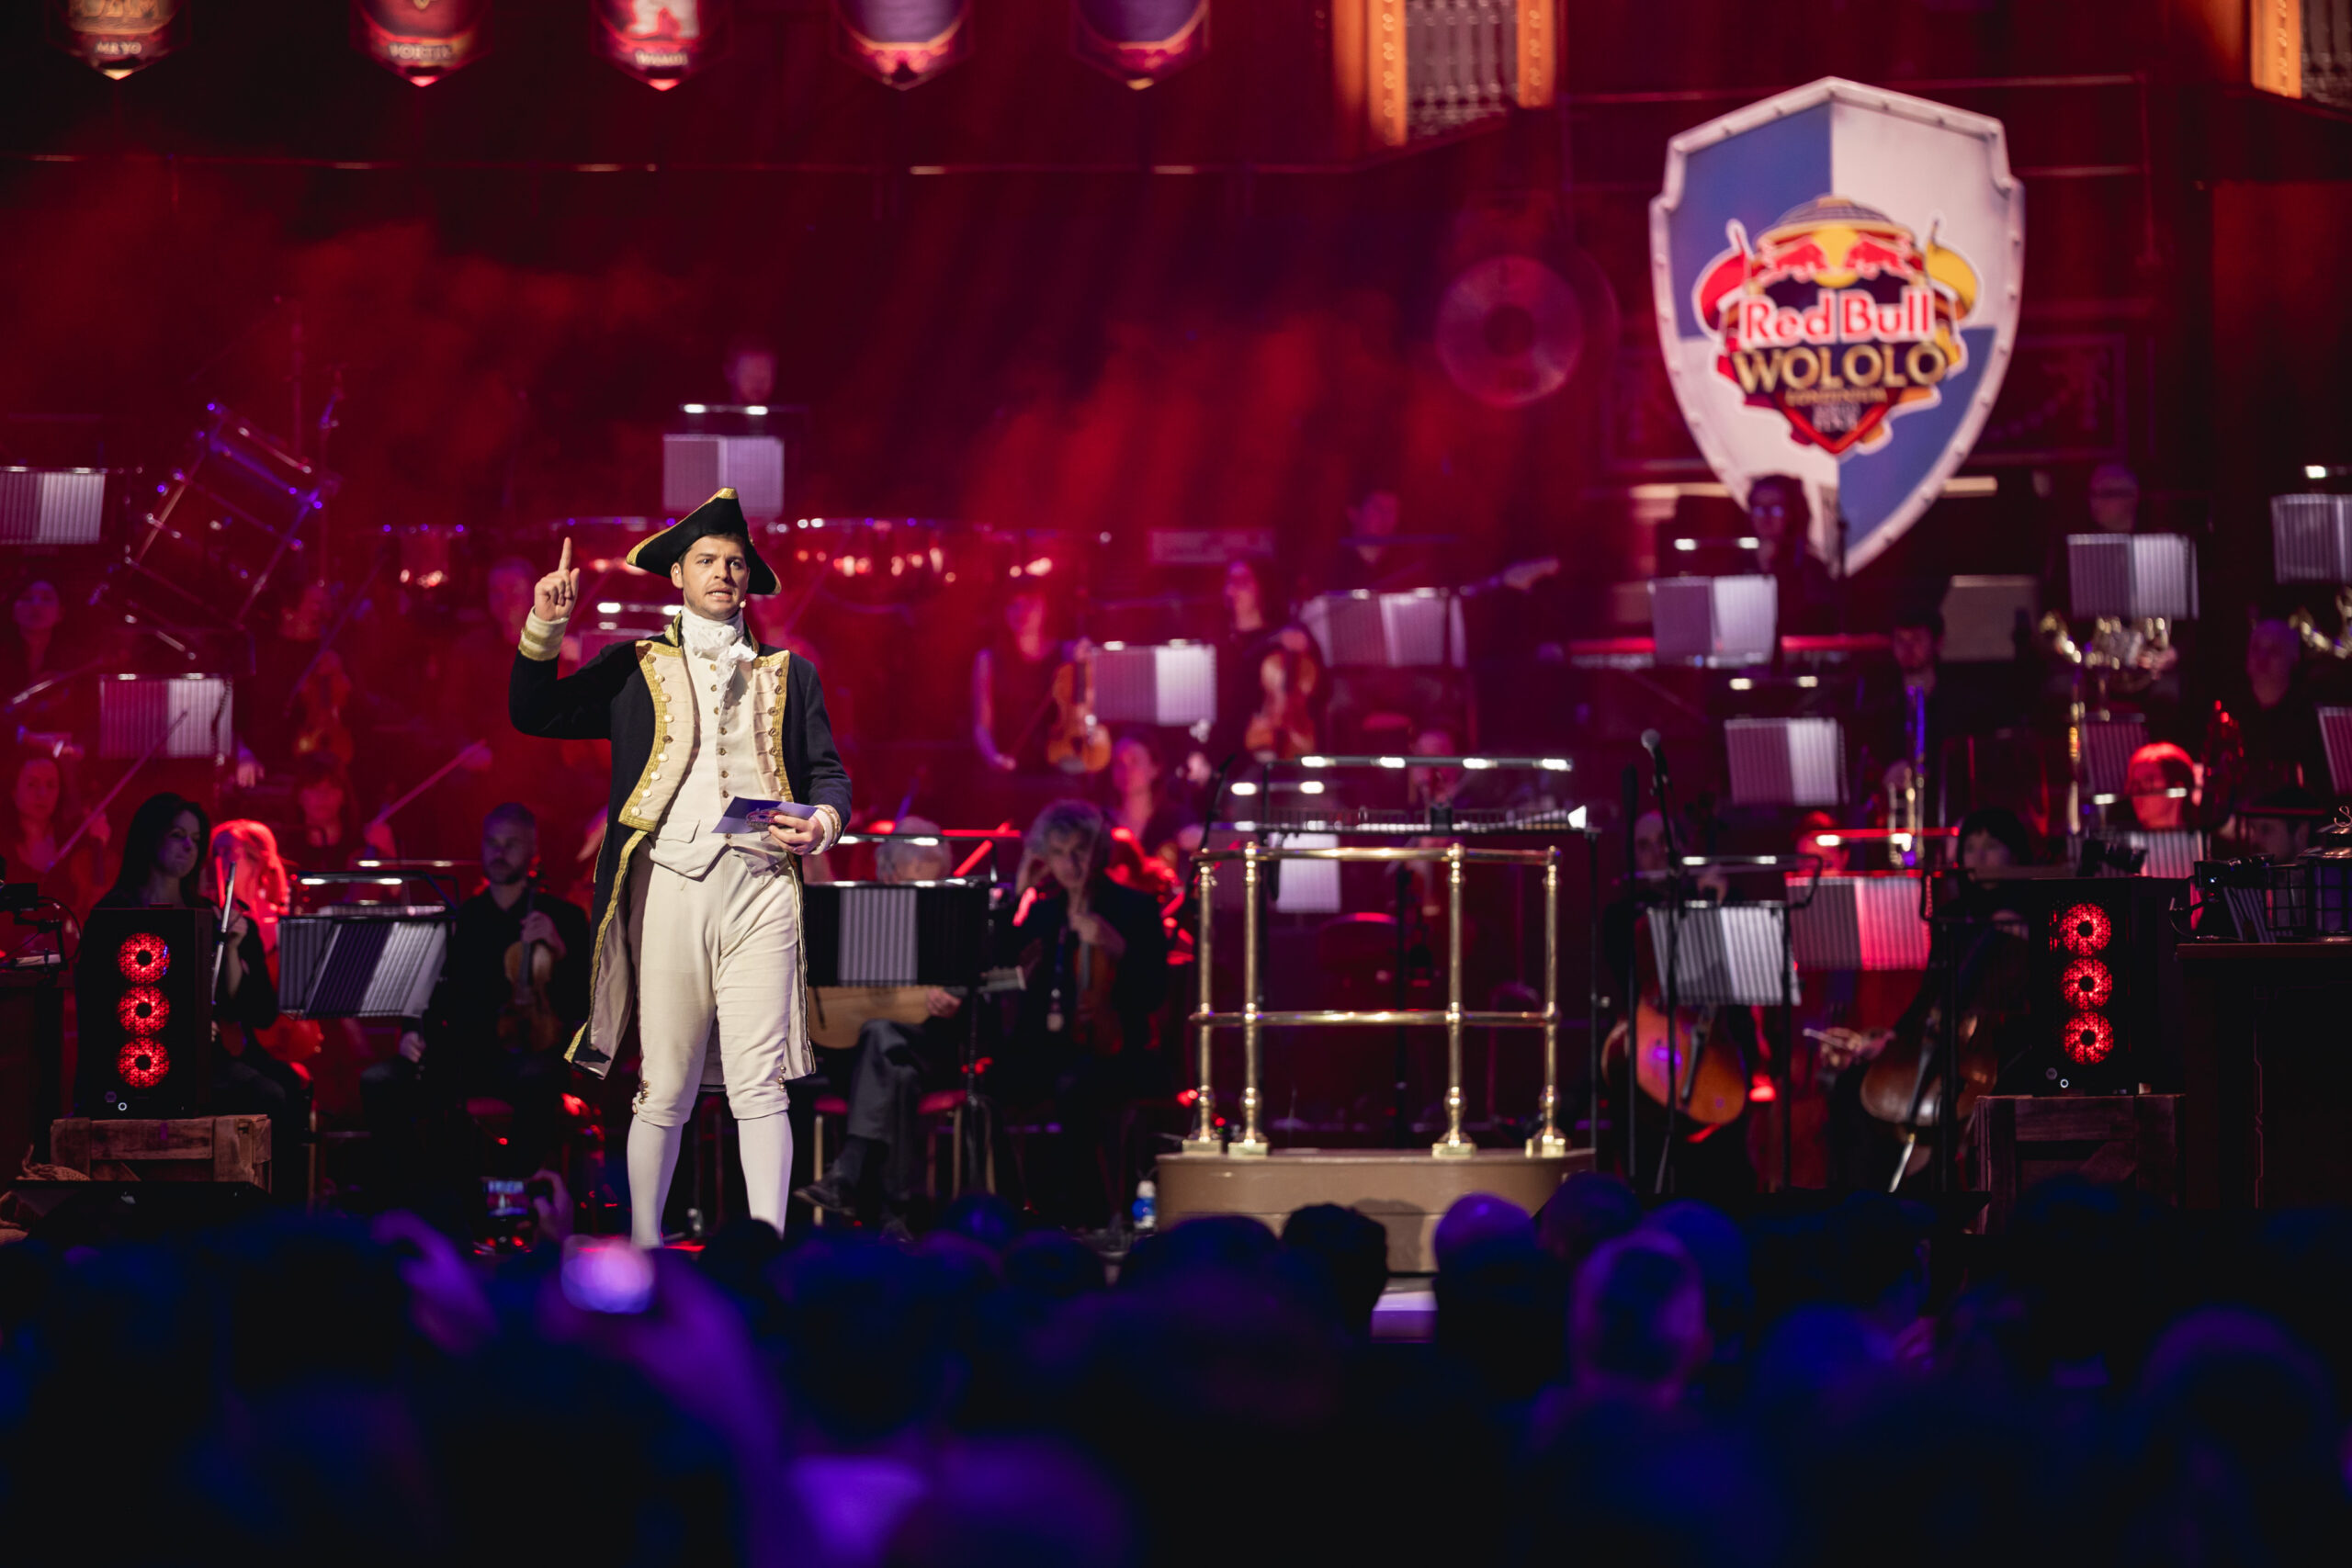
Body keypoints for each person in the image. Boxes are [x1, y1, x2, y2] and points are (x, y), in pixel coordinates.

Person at [511, 488, 850, 1247]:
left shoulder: (791, 673)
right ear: (678, 575)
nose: (723, 572)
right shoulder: (633, 664)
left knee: (760, 1083)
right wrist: (545, 624)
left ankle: (766, 1248)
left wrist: (823, 820)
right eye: (707, 560)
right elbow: (534, 713)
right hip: (667, 881)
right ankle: (645, 1250)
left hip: (761, 885)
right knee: (663, 1082)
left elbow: (829, 773)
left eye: (734, 561)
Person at [359, 804, 592, 1178]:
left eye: (511, 844)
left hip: (531, 1054)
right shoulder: (461, 919)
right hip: (466, 1055)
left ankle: (512, 1198)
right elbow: (427, 992)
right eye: (492, 843)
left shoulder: (562, 918)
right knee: (379, 1082)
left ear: (533, 852)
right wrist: (411, 1032)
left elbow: (584, 1002)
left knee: (539, 1078)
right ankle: (421, 1198)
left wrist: (558, 949)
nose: (499, 853)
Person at [1818, 807, 2039, 1191]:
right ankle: (1861, 1205)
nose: (1978, 856)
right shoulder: (1954, 915)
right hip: (1941, 1037)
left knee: (1962, 1110)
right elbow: (1931, 992)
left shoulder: (2033, 912)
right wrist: (1894, 1037)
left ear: (2016, 855)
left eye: (1991, 846)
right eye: (1970, 847)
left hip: (2001, 1044)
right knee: (1852, 1088)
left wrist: (2020, 940)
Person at [82, 793, 307, 1154]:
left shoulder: (217, 916)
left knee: (276, 1093)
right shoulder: (113, 913)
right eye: (177, 835)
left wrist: (232, 948)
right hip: (136, 1061)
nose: (189, 847)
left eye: (196, 839)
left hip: (208, 1060)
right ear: (149, 837)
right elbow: (98, 1000)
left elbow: (251, 1011)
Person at [990, 799, 1170, 1225]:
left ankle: (1085, 1215)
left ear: (1098, 850)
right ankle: (1017, 1209)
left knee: (1077, 1087)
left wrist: (1118, 947)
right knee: (985, 1090)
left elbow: (1155, 992)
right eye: (1058, 852)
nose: (1070, 863)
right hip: (1047, 1047)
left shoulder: (1135, 909)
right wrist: (1017, 890)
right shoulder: (1043, 911)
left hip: (1118, 1050)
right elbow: (998, 962)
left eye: (1079, 850)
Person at [794, 818, 964, 1231]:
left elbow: (972, 987)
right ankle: (894, 1218)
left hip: (933, 1051)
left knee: (884, 1042)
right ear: (889, 872)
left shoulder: (950, 916)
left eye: (936, 875)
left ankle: (848, 1172)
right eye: (920, 873)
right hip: (867, 1059)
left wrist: (955, 999)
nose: (932, 885)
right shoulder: (861, 915)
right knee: (892, 1065)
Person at [0, 748, 105, 920]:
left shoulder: (74, 843)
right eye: (32, 784)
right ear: (13, 790)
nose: (43, 794)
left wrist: (99, 844)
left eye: (51, 785)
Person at [1743, 474, 1838, 636]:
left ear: (1790, 514)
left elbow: (1814, 624)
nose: (1766, 517)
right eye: (1759, 509)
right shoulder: (1738, 566)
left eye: (1776, 509)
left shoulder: (1811, 569)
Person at [1105, 732, 1199, 876]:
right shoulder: (1103, 822)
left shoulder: (1177, 821)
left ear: (1155, 768)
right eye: (1118, 763)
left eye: (1134, 761)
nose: (1126, 770)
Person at [2123, 740, 2197, 832]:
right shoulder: (2123, 843)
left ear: (2177, 790)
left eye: (2148, 782)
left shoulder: (2203, 842)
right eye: (2134, 784)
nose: (2137, 793)